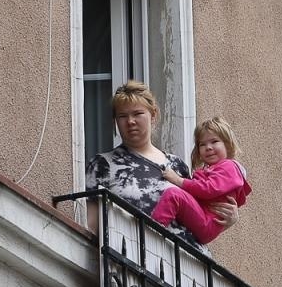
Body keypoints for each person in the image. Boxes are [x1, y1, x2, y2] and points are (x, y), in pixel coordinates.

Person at [85, 81, 238, 240]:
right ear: (115, 121)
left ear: (153, 115)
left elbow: (198, 219)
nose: (130, 121)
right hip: (134, 258)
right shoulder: (103, 164)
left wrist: (227, 221)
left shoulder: (177, 165)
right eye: (122, 116)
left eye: (137, 114)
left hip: (186, 260)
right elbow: (91, 226)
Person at [153, 117, 250, 245]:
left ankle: (151, 232)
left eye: (214, 141)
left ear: (228, 144)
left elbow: (209, 188)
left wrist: (179, 180)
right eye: (202, 144)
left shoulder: (229, 167)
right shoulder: (213, 169)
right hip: (204, 220)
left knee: (174, 195)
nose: (208, 147)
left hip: (207, 221)